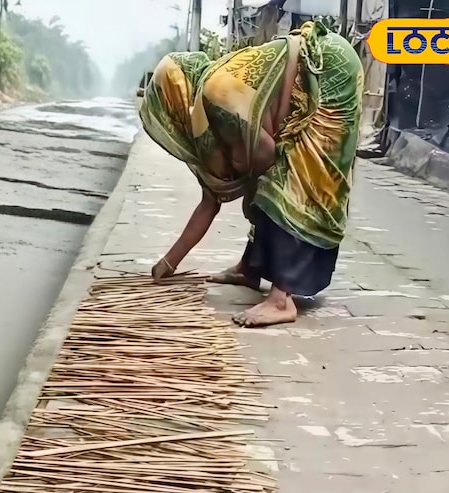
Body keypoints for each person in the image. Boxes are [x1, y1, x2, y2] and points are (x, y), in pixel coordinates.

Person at [138, 20, 363, 327]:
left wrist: (252, 195)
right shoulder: (209, 110)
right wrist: (168, 262)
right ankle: (249, 269)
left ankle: (281, 300)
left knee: (286, 186)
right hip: (309, 72)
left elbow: (268, 157)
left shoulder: (218, 95)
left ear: (177, 99)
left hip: (328, 70)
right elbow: (210, 201)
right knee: (261, 190)